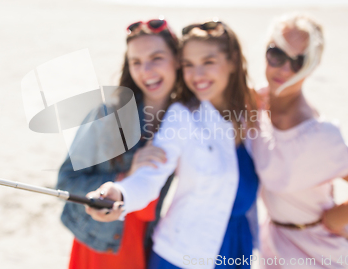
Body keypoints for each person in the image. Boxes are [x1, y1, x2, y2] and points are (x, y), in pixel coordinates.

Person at [86, 21, 259, 269]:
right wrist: (121, 194)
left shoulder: (252, 114)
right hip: (180, 256)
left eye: (208, 62)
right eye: (188, 65)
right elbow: (150, 177)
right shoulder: (183, 115)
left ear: (232, 61)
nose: (197, 75)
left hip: (237, 250)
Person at [252, 13, 348, 268]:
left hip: (326, 254)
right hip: (276, 244)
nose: (284, 69)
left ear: (313, 66)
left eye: (298, 61)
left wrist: (335, 219)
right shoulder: (256, 107)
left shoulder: (317, 134)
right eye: (277, 54)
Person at [56, 19, 180, 269]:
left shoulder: (185, 118)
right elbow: (66, 182)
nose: (146, 70)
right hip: (102, 242)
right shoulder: (108, 116)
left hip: (150, 242)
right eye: (136, 62)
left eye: (156, 57)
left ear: (177, 60)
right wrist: (125, 175)